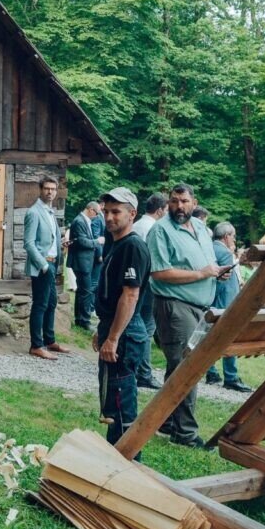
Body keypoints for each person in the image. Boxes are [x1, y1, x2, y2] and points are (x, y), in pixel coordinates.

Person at [147, 183, 224, 449]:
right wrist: (202, 274)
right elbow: (159, 273)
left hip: (200, 307)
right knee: (186, 368)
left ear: (194, 202)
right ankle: (186, 433)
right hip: (175, 305)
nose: (179, 206)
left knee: (178, 367)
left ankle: (166, 422)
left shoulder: (201, 228)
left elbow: (206, 264)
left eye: (184, 201)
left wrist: (217, 273)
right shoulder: (161, 230)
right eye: (174, 201)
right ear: (168, 203)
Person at [92, 188, 150, 450]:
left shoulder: (133, 246)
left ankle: (127, 462)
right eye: (106, 212)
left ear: (132, 214)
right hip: (114, 325)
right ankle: (111, 459)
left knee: (121, 403)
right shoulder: (117, 243)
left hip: (126, 332)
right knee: (112, 402)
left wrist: (113, 337)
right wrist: (103, 329)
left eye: (116, 212)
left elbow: (130, 294)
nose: (109, 217)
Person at [24, 176, 70, 361]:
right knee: (40, 304)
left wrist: (61, 245)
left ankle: (49, 341)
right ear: (41, 190)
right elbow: (29, 243)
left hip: (52, 263)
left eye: (53, 189)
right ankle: (36, 346)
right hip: (42, 265)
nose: (50, 192)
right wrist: (43, 265)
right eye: (47, 188)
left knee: (51, 303)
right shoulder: (34, 212)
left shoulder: (50, 211)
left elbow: (48, 239)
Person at [205, 222, 252, 392]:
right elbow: (223, 282)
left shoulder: (210, 248)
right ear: (226, 236)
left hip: (213, 302)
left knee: (209, 340)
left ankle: (211, 372)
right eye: (233, 236)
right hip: (224, 303)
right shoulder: (224, 253)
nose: (234, 239)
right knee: (228, 339)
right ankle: (231, 377)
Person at [131, 192, 166, 390]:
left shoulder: (137, 225)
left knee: (137, 325)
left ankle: (135, 366)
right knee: (146, 328)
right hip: (149, 284)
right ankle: (143, 372)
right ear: (160, 210)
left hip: (136, 281)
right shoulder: (154, 228)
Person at [67, 201, 104, 331]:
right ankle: (84, 321)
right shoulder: (79, 221)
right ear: (90, 209)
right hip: (81, 262)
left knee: (82, 291)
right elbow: (82, 242)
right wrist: (97, 241)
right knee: (86, 291)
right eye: (97, 213)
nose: (97, 216)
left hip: (84, 261)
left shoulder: (83, 220)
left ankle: (79, 319)